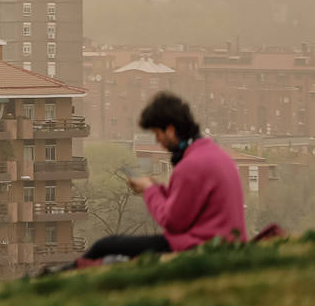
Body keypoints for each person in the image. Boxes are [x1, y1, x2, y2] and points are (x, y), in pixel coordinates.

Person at [80, 91, 246, 261]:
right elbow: (187, 206)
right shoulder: (214, 154)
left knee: (106, 246)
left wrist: (149, 190)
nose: (158, 141)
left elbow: (173, 222)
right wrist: (157, 189)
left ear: (170, 130)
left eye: (157, 133)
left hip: (203, 245)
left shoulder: (190, 166)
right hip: (226, 242)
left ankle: (65, 273)